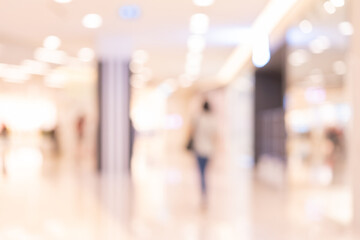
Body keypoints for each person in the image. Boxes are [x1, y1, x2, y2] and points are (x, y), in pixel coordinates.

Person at [192, 100, 217, 203]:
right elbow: (215, 136)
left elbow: (191, 132)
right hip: (209, 150)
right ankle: (205, 192)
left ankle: (203, 192)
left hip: (199, 148)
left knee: (201, 172)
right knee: (205, 172)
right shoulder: (212, 120)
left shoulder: (198, 118)